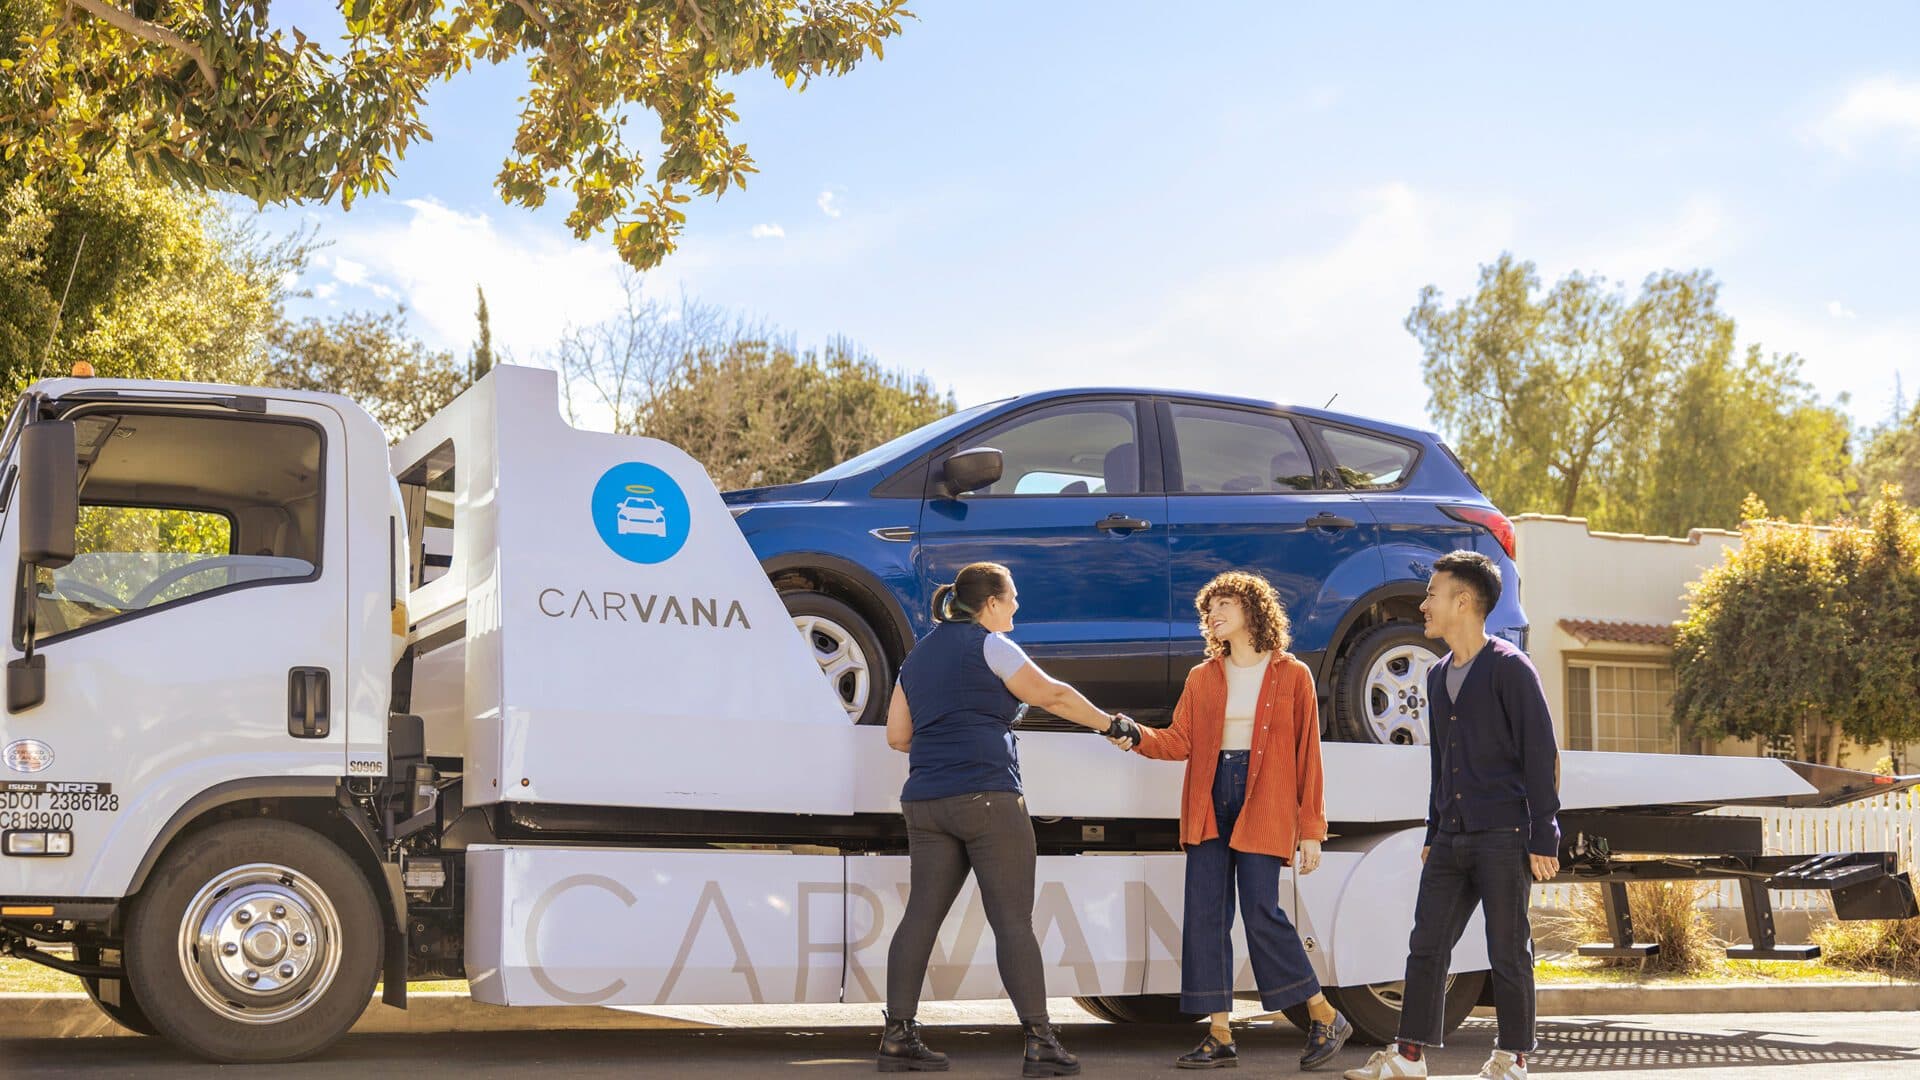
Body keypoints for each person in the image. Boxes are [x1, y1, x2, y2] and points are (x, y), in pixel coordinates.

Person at [878, 561, 1142, 1077]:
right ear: (991, 604)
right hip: (988, 799)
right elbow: (1054, 695)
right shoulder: (991, 645)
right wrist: (1113, 724)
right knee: (1012, 922)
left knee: (919, 919)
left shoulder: (917, 658)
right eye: (1012, 597)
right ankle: (1040, 1043)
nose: (1017, 606)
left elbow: (897, 736)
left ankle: (897, 1038)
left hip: (926, 802)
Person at [1122, 571, 1353, 1071]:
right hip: (1208, 802)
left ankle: (1323, 1012)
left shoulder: (1292, 675)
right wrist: (1133, 734)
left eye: (1225, 603)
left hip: (1263, 800)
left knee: (1261, 911)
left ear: (1253, 610)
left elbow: (1307, 756)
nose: (1215, 614)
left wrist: (1311, 829)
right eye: (1210, 609)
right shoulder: (1202, 677)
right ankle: (1220, 1034)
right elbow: (1178, 741)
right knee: (1204, 916)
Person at [1344, 551, 1561, 1080]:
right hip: (1452, 837)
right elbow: (1442, 761)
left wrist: (1544, 834)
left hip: (1504, 835)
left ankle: (1512, 1057)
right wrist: (1435, 828)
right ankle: (1409, 1056)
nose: (1423, 605)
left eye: (1432, 594)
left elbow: (1542, 755)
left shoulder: (1510, 668)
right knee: (1426, 944)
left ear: (1463, 602)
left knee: (1506, 950)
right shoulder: (1437, 676)